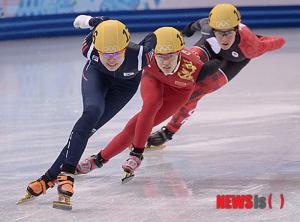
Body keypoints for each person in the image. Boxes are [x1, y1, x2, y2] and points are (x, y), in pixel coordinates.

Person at [18, 15, 157, 209]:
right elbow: (94, 29)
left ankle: (48, 179)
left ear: (126, 48)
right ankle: (66, 175)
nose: (111, 60)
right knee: (92, 112)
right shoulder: (89, 48)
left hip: (124, 87)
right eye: (105, 55)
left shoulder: (142, 55)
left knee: (89, 129)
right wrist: (92, 22)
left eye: (116, 54)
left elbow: (154, 36)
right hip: (97, 76)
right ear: (97, 50)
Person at [76, 26, 221, 180]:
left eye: (170, 56)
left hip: (179, 92)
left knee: (136, 126)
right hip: (154, 78)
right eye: (160, 56)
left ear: (179, 53)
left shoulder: (196, 68)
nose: (165, 62)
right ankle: (131, 155)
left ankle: (99, 159)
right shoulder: (144, 55)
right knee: (151, 104)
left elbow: (219, 61)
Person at [146, 3, 286, 147]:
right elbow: (197, 24)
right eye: (219, 33)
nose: (224, 39)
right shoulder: (207, 28)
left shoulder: (251, 46)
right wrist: (187, 30)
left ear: (237, 30)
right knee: (186, 68)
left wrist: (281, 40)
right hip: (209, 48)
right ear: (213, 29)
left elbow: (274, 42)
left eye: (228, 33)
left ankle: (168, 132)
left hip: (233, 61)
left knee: (197, 91)